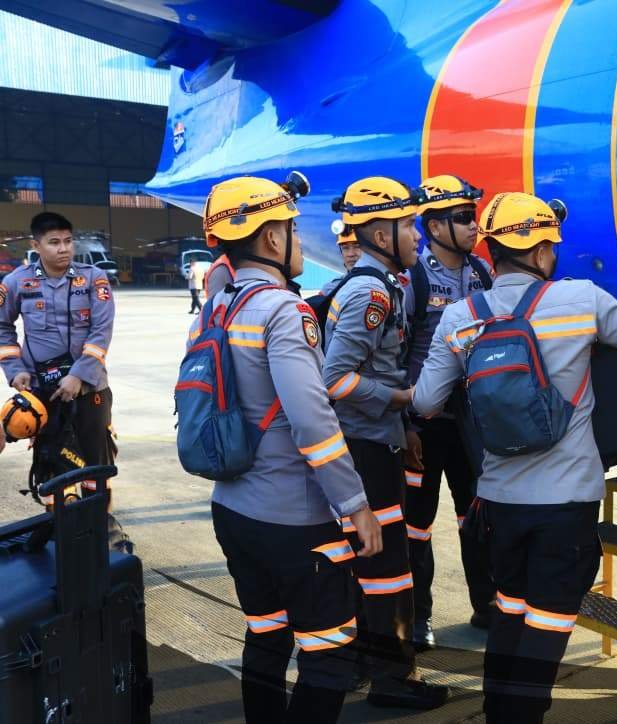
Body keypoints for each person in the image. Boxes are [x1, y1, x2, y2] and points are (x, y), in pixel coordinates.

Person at [413, 191, 617, 723]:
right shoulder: (580, 300)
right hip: (566, 501)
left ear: (492, 251)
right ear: (539, 251)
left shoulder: (461, 316)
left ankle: (498, 713)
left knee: (509, 615)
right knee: (547, 629)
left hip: (498, 501)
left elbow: (426, 401)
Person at [194, 174, 383, 724]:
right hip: (294, 521)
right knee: (329, 654)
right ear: (272, 238)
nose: (299, 242)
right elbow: (313, 421)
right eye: (294, 231)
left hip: (233, 510)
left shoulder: (215, 308)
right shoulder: (283, 311)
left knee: (267, 635)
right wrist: (356, 505)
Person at [323, 176, 447, 710]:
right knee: (387, 569)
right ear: (380, 234)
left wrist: (404, 427)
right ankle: (394, 681)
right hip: (366, 449)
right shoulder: (372, 293)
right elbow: (335, 379)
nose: (417, 236)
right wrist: (400, 399)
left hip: (378, 441)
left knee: (376, 565)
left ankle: (372, 668)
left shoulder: (380, 285)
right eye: (408, 226)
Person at [403, 174, 495, 650]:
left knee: (475, 514)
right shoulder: (414, 280)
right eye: (462, 217)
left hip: (470, 424)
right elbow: (395, 356)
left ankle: (487, 603)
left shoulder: (482, 273)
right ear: (435, 227)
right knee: (416, 527)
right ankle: (418, 618)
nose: (473, 225)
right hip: (424, 425)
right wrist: (404, 425)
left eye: (473, 216)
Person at [0, 212, 116, 506]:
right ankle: (59, 521)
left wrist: (78, 375)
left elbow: (101, 331)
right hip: (42, 392)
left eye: (68, 241)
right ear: (36, 245)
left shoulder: (93, 278)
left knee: (96, 463)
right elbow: (2, 327)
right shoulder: (17, 282)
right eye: (54, 242)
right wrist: (14, 370)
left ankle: (98, 520)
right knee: (51, 463)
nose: (63, 248)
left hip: (90, 388)